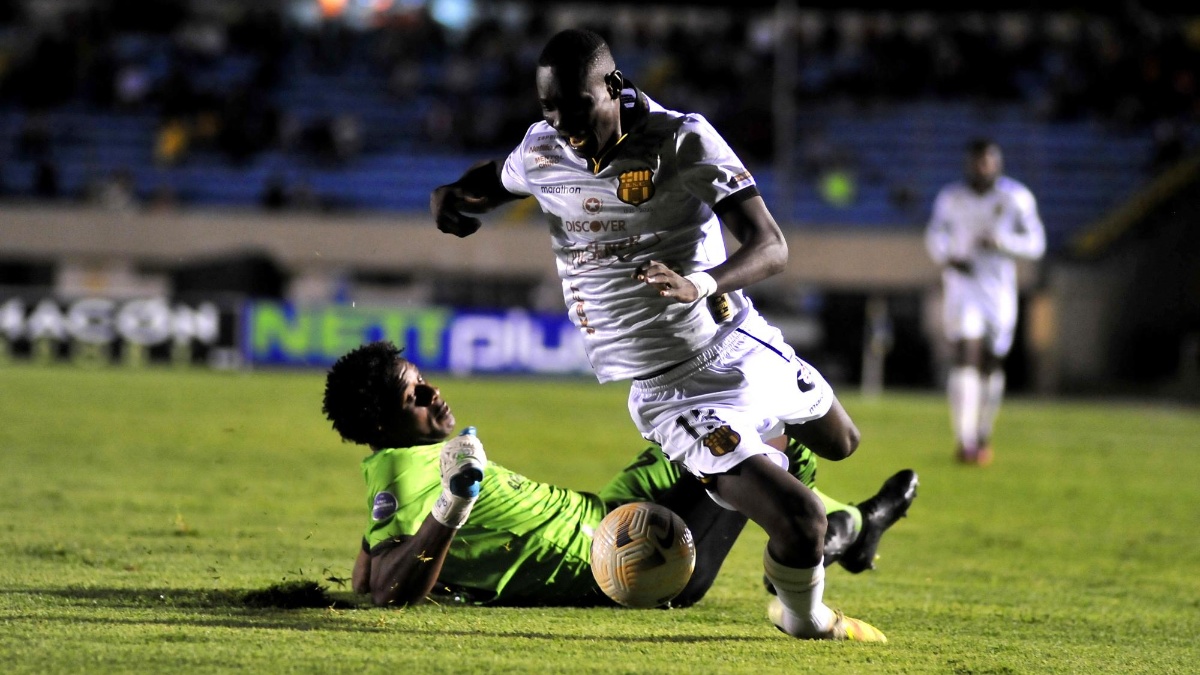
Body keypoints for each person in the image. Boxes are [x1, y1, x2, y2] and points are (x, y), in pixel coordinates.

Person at [430, 29, 901, 641]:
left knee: (843, 442)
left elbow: (771, 246)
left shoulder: (682, 139)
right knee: (801, 518)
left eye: (576, 108)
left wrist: (701, 283)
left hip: (737, 339)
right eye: (548, 109)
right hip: (670, 389)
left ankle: (749, 464)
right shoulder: (545, 151)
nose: (563, 125)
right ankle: (804, 617)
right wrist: (449, 195)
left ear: (615, 87)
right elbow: (493, 179)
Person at [322, 341, 918, 609]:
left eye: (422, 378)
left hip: (609, 510)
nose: (432, 391)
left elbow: (364, 572)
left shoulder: (394, 465)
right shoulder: (408, 473)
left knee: (739, 430)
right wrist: (453, 507)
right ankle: (831, 536)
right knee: (753, 438)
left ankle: (841, 529)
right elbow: (383, 592)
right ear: (383, 420)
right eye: (413, 396)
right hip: (637, 562)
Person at [925, 139, 1046, 466]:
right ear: (969, 163)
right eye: (977, 162)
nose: (983, 167)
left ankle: (982, 431)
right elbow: (935, 235)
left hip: (998, 290)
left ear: (997, 163)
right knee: (967, 354)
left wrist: (1003, 243)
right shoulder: (952, 198)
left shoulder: (1015, 198)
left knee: (992, 363)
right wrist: (948, 257)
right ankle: (964, 441)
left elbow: (1036, 244)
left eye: (988, 162)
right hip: (963, 287)